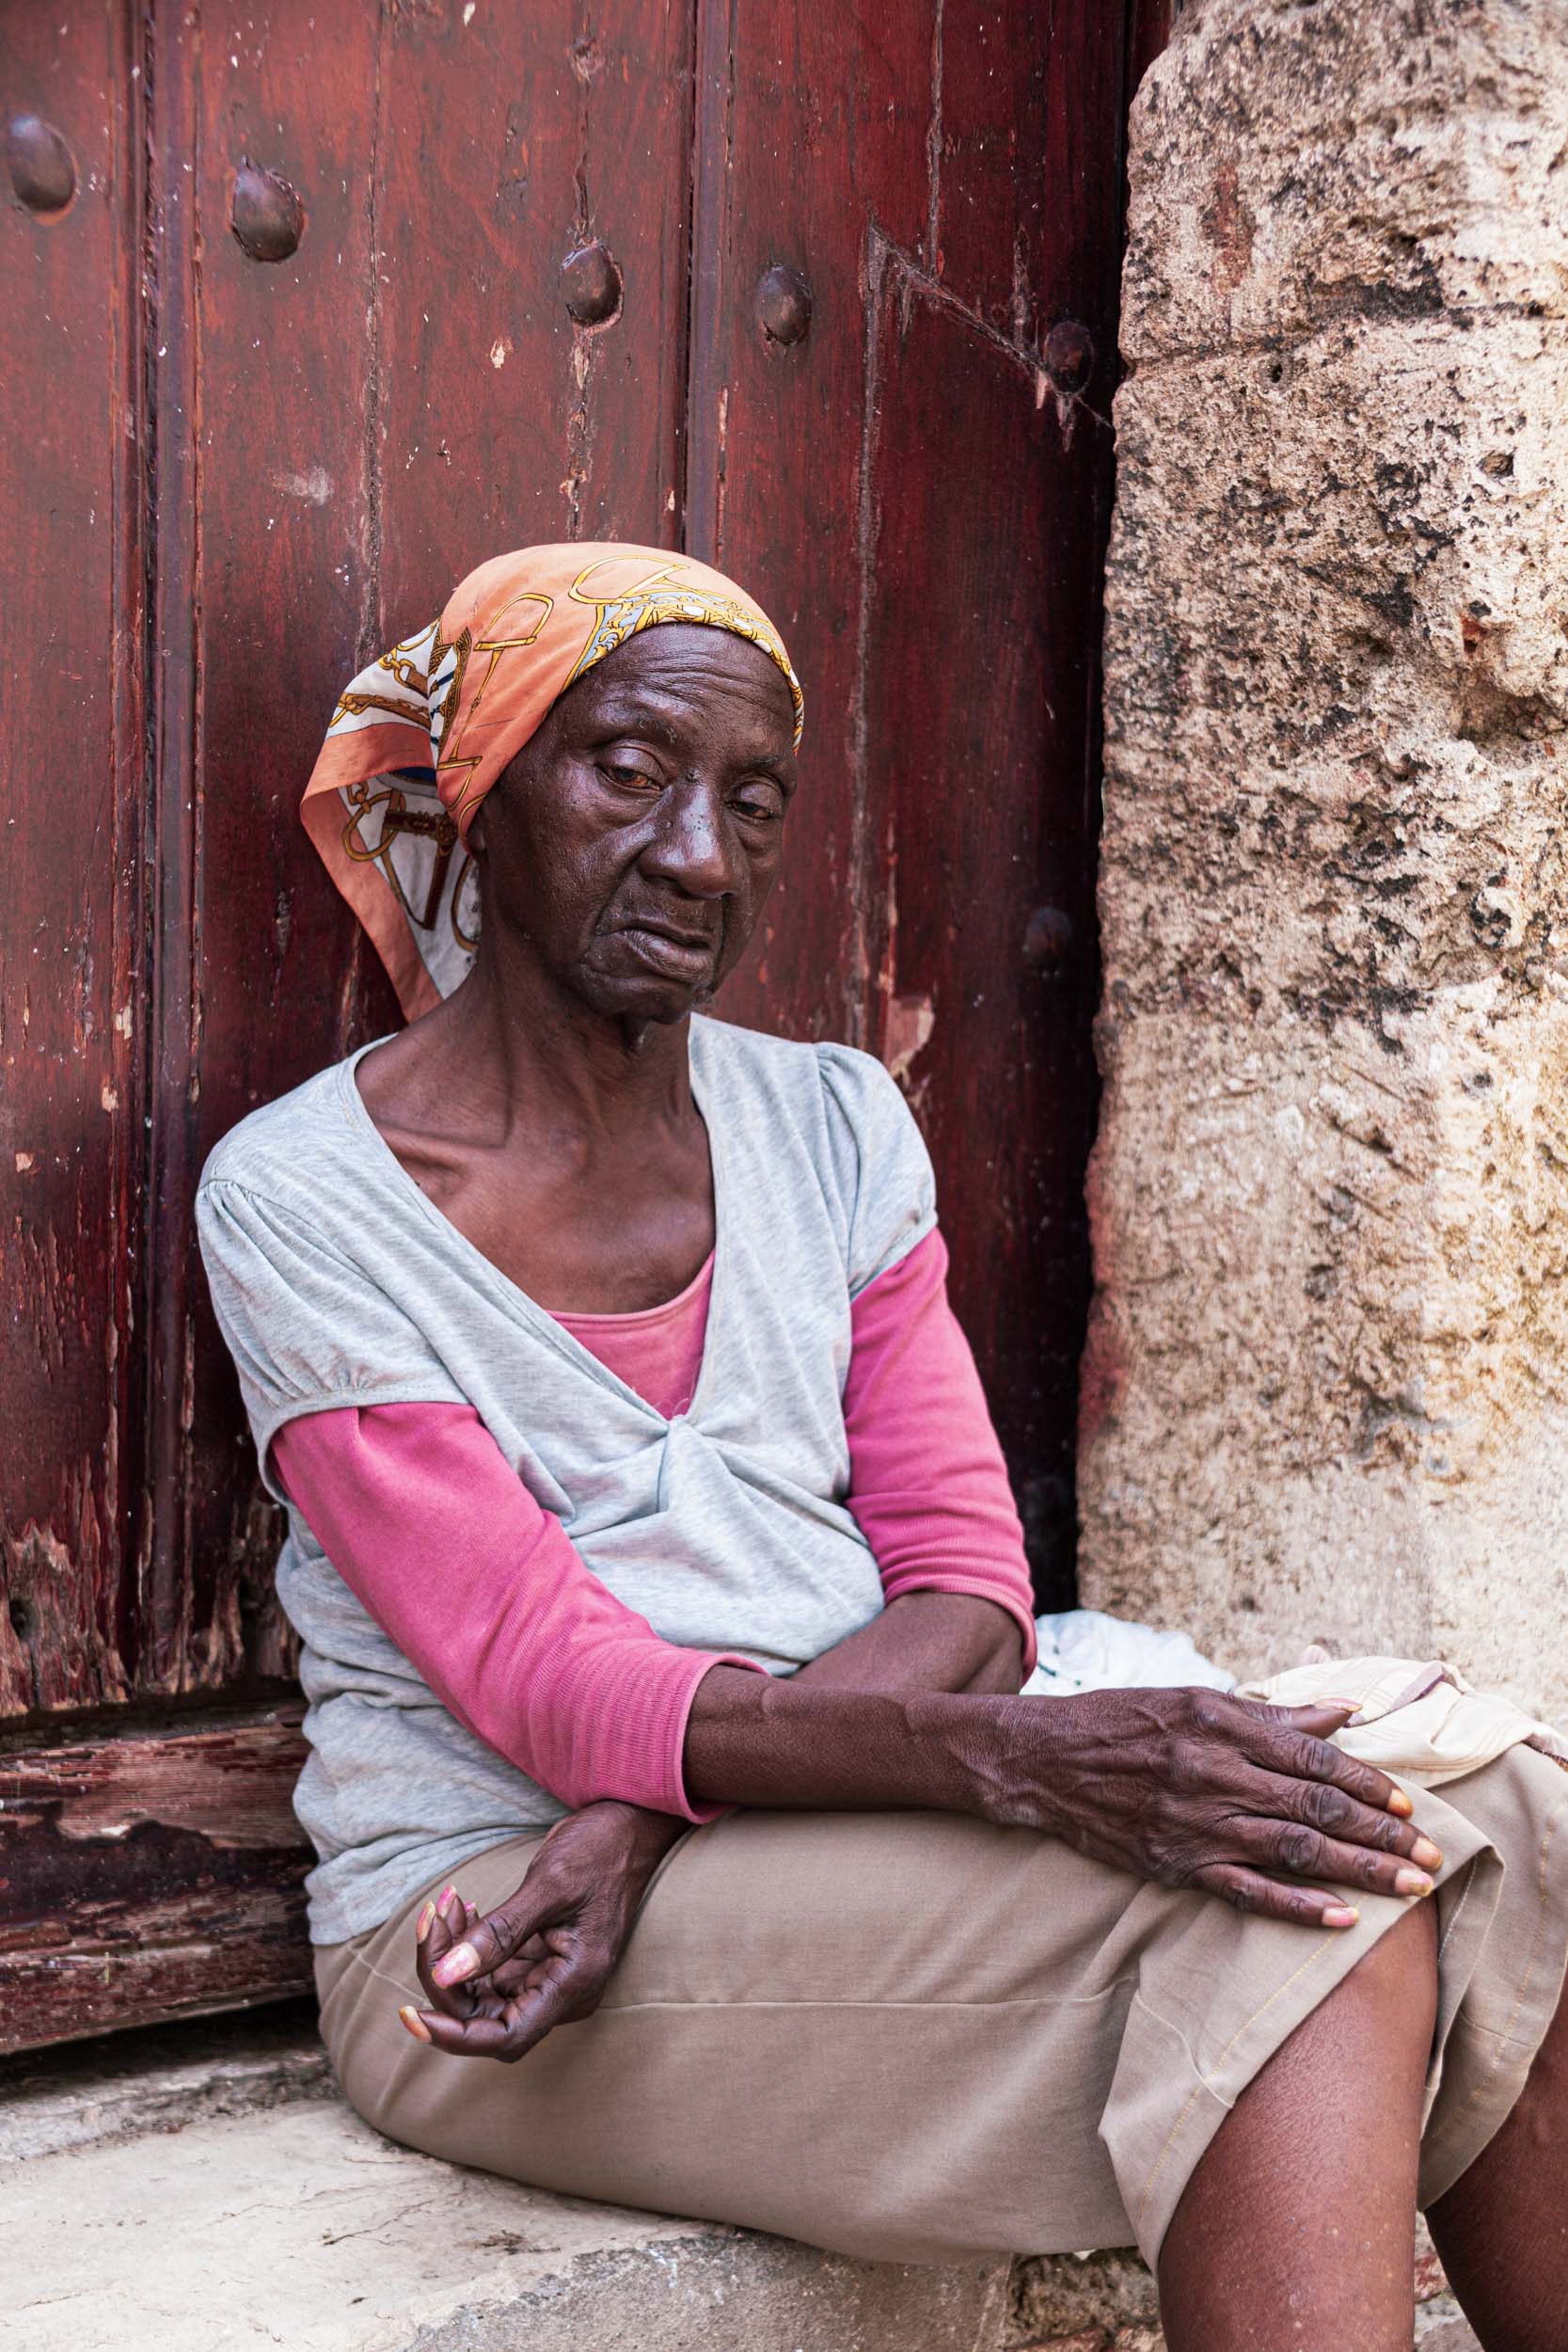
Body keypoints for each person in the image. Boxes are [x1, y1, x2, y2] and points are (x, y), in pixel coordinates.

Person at [198, 544, 1568, 2352]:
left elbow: (971, 1585)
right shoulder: (305, 1198)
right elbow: (547, 1680)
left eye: (751, 802)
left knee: (1511, 1810)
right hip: (501, 1922)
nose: (700, 854)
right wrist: (1008, 1770)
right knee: (1302, 1900)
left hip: (712, 1825)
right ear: (477, 785)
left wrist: (654, 1821)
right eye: (628, 770)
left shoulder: (833, 1122)